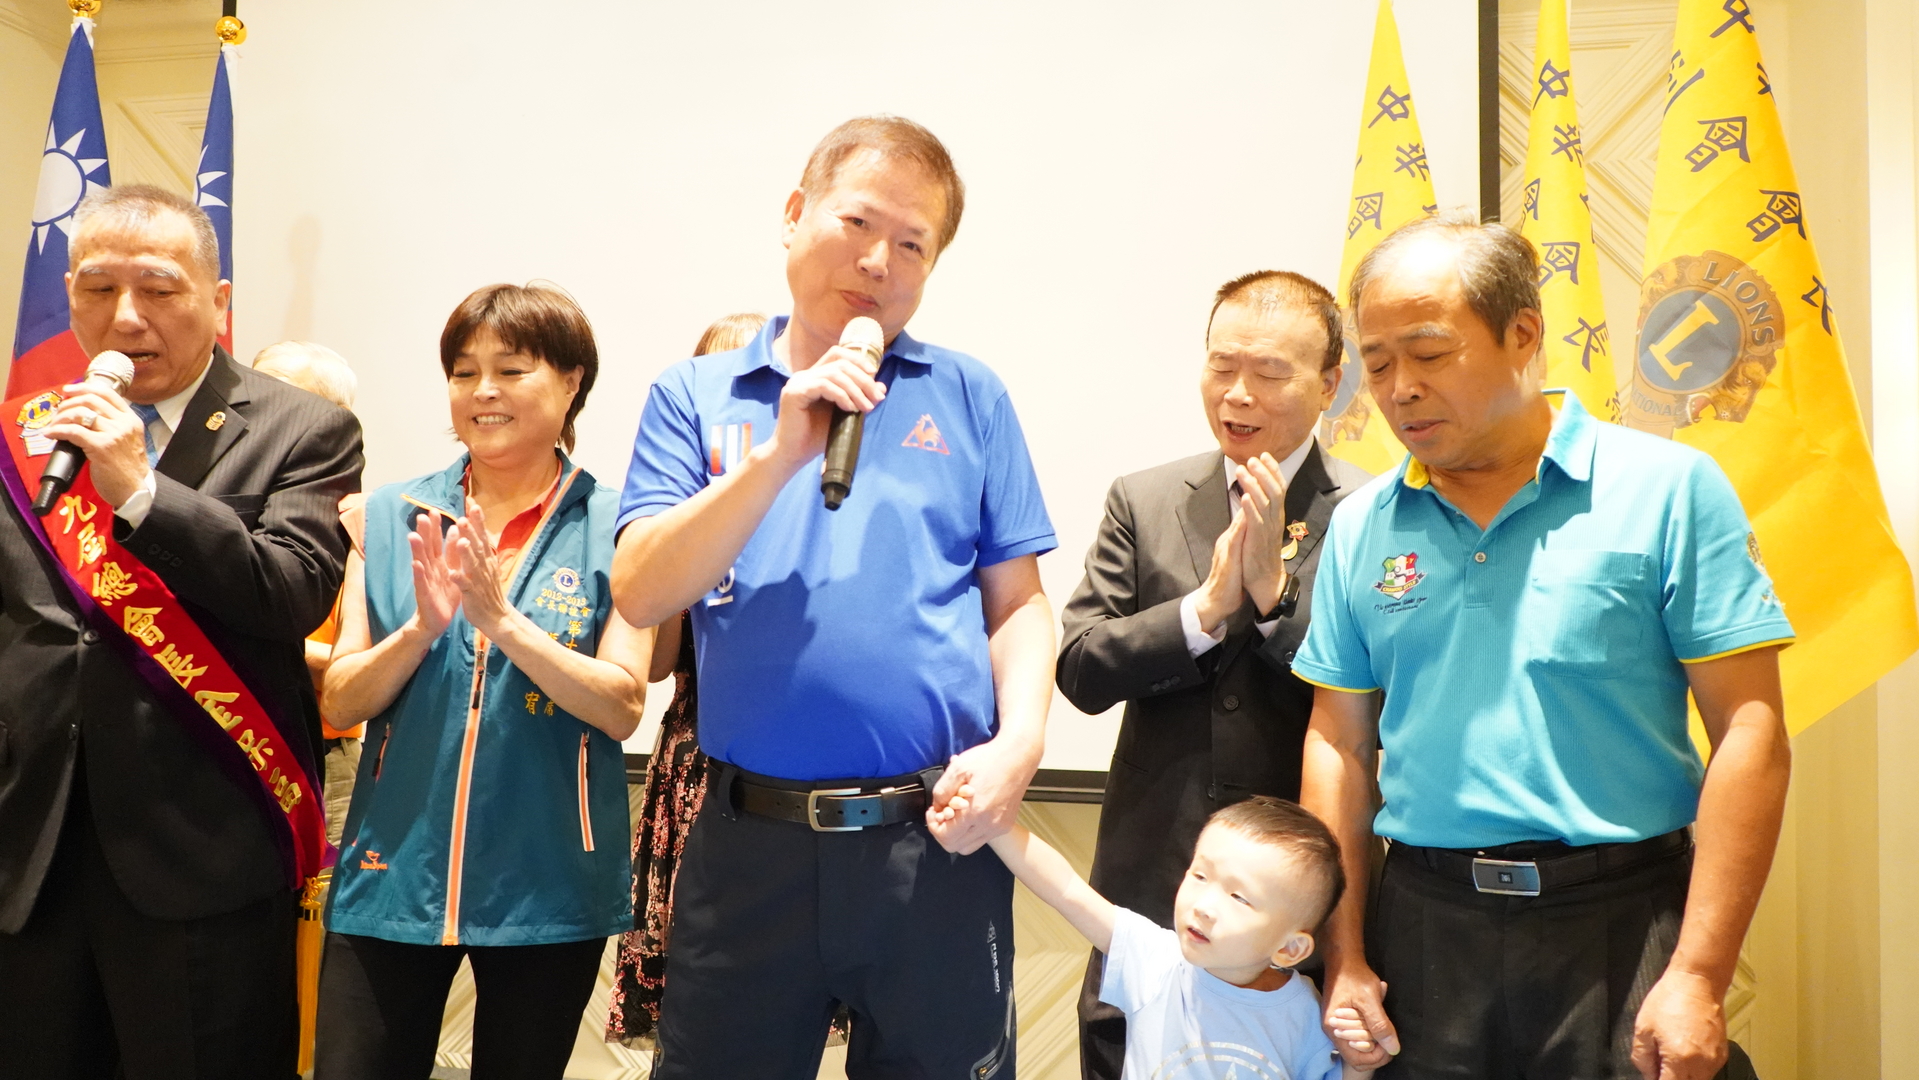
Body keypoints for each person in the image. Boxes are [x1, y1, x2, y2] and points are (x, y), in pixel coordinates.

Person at [1293, 212, 1794, 1080]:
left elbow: (1750, 730)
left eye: (1428, 353)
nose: (1399, 388)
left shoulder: (1667, 490)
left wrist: (1698, 975)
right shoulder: (1362, 523)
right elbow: (1336, 743)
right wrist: (1343, 957)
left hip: (1621, 923)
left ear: (1522, 334)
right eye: (1375, 364)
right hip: (1422, 930)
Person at [612, 115, 1057, 1079]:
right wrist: (779, 454)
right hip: (748, 846)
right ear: (793, 215)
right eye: (857, 223)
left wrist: (1021, 742)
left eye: (913, 244)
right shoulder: (695, 394)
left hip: (932, 840)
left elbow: (1018, 604)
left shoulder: (968, 394)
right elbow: (643, 593)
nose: (878, 261)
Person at [0, 184, 363, 1078]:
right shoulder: (26, 436)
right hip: (31, 851)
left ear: (217, 299)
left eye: (159, 289)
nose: (126, 317)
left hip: (204, 854)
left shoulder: (303, 429)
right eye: (98, 289)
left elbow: (291, 591)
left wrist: (143, 493)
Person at [313, 283, 654, 1080]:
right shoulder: (390, 515)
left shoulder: (622, 523)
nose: (483, 392)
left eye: (511, 369)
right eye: (463, 373)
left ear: (571, 381)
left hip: (549, 884)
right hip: (390, 874)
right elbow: (343, 697)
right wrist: (419, 631)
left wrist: (503, 623)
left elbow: (622, 705)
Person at [1058, 270, 1374, 1079]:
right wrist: (1200, 611)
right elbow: (1080, 668)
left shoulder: (1374, 512)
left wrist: (1272, 600)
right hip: (1154, 876)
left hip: (1295, 897)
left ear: (1329, 383)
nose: (1237, 394)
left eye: (1268, 372)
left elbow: (1381, 697)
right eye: (1221, 365)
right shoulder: (1145, 498)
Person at [950, 795, 1372, 1080]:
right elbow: (1066, 889)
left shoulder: (1307, 1010)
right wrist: (994, 825)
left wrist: (1361, 1064)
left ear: (1290, 947)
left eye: (1239, 897)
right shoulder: (1154, 959)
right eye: (1200, 875)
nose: (1204, 905)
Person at [605, 311, 767, 1048]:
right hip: (697, 754)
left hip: (789, 763)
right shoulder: (669, 508)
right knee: (694, 995)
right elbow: (656, 658)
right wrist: (685, 542)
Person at [252, 339, 364, 847]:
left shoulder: (357, 523)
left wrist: (240, 638)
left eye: (281, 395)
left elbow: (364, 660)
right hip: (224, 736)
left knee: (323, 889)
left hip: (323, 752)